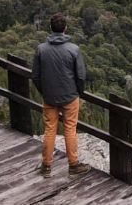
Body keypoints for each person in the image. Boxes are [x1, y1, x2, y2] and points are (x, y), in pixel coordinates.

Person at [32, 12, 90, 178]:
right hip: (70, 96)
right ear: (65, 28)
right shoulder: (74, 49)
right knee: (70, 129)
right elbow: (80, 75)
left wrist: (45, 91)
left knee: (50, 129)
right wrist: (79, 92)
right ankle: (73, 166)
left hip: (49, 97)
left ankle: (46, 166)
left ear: (50, 28)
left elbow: (35, 75)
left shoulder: (41, 49)